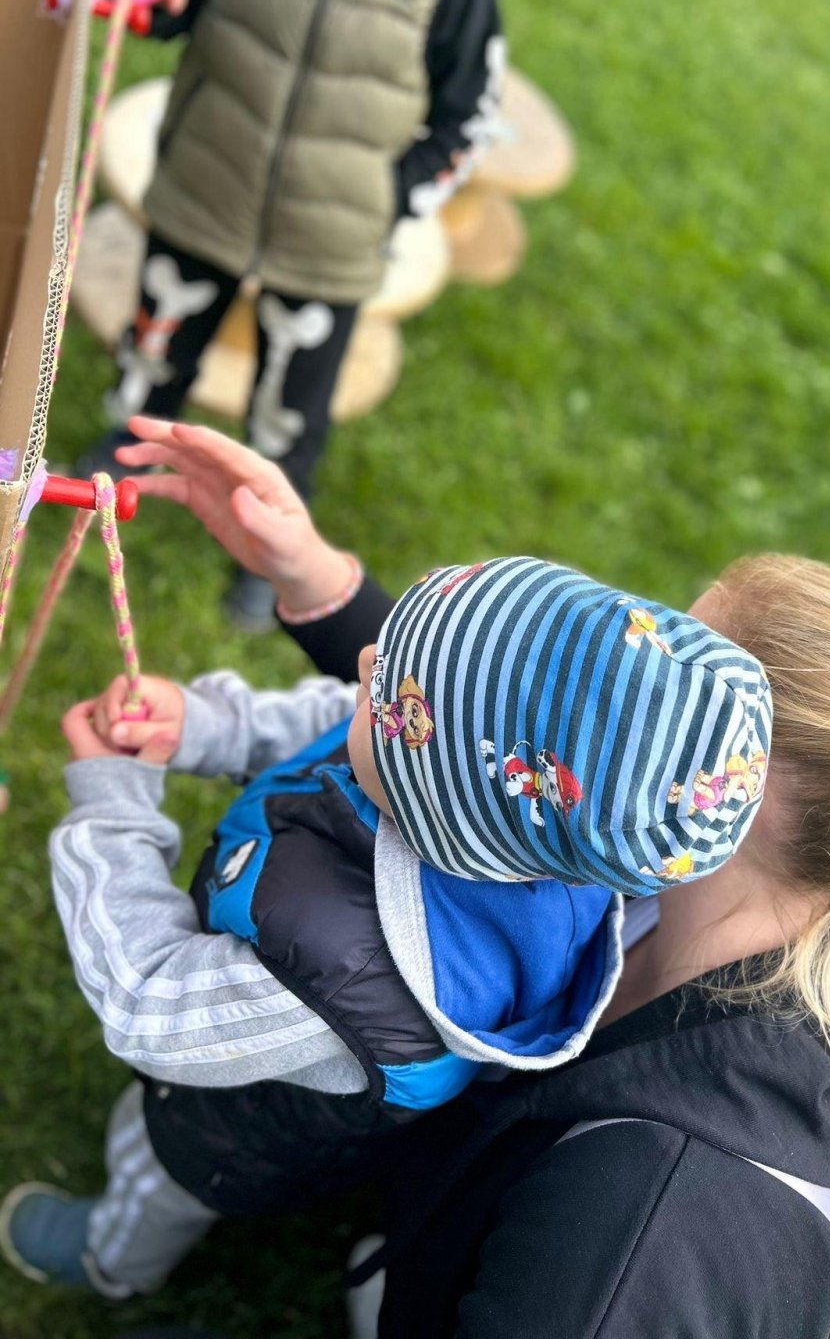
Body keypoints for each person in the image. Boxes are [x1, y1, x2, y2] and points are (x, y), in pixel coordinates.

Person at [12, 420, 830, 1336]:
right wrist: (316, 583)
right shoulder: (596, 839)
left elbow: (437, 745)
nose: (617, 668)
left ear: (718, 791)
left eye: (651, 670)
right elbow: (460, 733)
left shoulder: (636, 1233)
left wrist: (113, 802)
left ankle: (119, 1259)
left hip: (274, 1167)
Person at [1, 547, 770, 1300]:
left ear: (437, 801)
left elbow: (146, 996)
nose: (366, 660)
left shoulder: (351, 981)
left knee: (152, 1167)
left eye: (392, 689)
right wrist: (212, 727)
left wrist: (114, 805)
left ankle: (111, 1259)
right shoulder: (504, 823)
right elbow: (341, 725)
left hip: (226, 1130)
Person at [74, 0, 505, 630]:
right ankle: (133, 439)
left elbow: (469, 110)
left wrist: (393, 196)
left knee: (291, 407)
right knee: (159, 338)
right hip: (206, 186)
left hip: (330, 244)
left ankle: (269, 539)